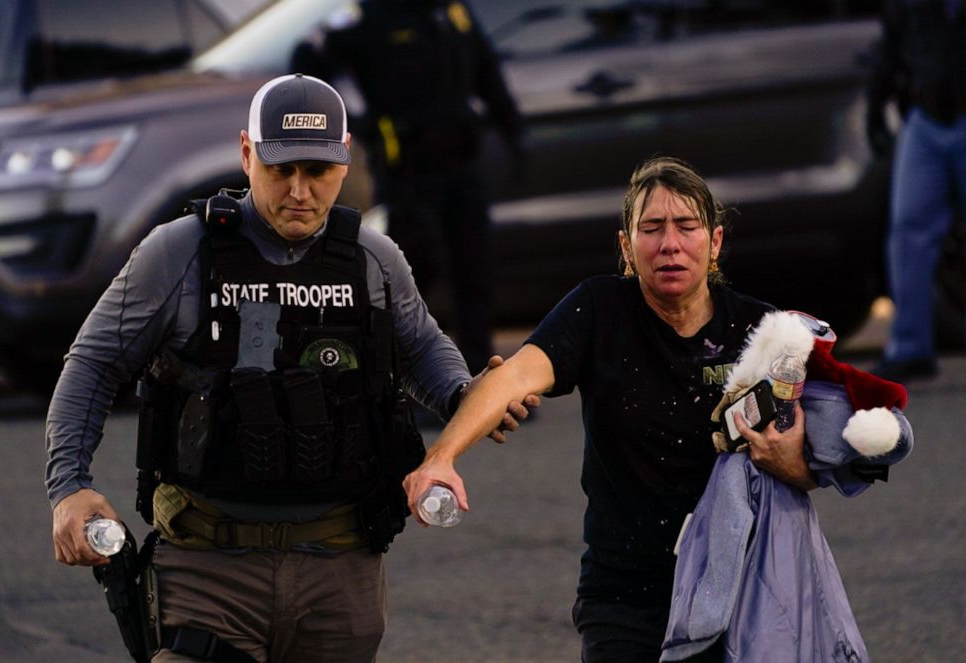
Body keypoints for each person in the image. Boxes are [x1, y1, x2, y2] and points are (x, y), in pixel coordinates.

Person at [45, 74, 533, 663]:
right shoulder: (179, 253)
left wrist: (465, 398)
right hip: (209, 570)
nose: (300, 191)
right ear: (247, 153)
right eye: (281, 171)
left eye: (318, 171)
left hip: (340, 570)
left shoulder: (374, 260)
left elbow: (423, 350)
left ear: (345, 159)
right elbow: (92, 363)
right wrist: (68, 487)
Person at [403, 157, 817, 662]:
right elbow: (511, 377)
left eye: (687, 227)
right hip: (624, 599)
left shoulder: (760, 330)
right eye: (651, 229)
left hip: (739, 592)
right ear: (626, 245)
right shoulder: (599, 308)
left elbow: (828, 450)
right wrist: (441, 458)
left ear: (715, 242)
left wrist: (794, 464)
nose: (670, 244)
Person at [295, 0, 524, 374]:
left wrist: (513, 128)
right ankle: (404, 383)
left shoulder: (451, 11)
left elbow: (486, 70)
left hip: (463, 165)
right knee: (413, 272)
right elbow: (306, 67)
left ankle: (479, 378)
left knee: (475, 271)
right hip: (409, 173)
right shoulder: (366, 16)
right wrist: (354, 125)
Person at [866, 0, 966, 382]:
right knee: (909, 233)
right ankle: (911, 347)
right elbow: (891, 45)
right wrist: (877, 106)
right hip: (925, 118)